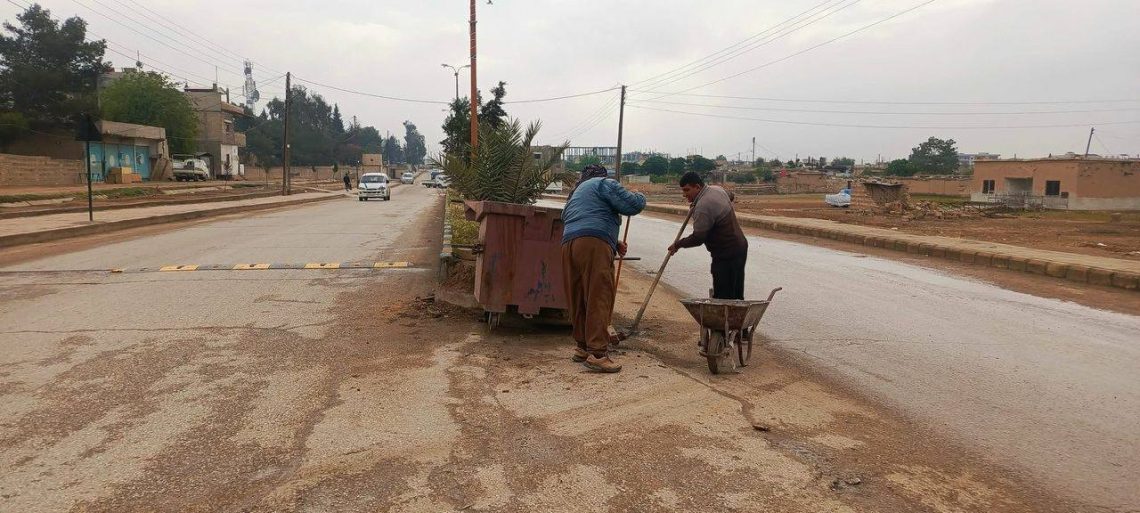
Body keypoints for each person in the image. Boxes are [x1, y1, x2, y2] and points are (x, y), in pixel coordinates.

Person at [561, 164, 646, 373]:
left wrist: (612, 241)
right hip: (593, 244)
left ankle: (582, 347)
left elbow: (577, 219)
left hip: (569, 244)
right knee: (599, 296)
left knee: (579, 296)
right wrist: (640, 195)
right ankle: (598, 353)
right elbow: (632, 205)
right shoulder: (603, 183)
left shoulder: (575, 194)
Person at [668, 172, 749, 300]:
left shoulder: (702, 207)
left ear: (698, 187)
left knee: (723, 295)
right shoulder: (717, 190)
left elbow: (698, 238)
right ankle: (735, 317)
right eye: (683, 191)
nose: (684, 194)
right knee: (736, 292)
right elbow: (731, 196)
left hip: (726, 252)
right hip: (740, 246)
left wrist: (678, 244)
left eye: (687, 190)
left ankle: (724, 318)